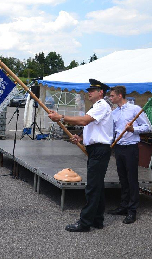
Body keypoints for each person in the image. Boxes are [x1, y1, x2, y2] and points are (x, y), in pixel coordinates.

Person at [49, 79, 113, 232]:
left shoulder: (102, 105)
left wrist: (61, 117)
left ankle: (84, 223)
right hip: (95, 149)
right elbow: (93, 128)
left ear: (101, 92)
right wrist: (80, 138)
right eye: (89, 90)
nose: (89, 92)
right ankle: (97, 219)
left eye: (92, 90)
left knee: (92, 187)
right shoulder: (97, 107)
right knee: (97, 186)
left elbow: (85, 121)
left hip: (100, 150)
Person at [108, 85, 149, 224]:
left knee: (132, 179)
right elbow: (113, 131)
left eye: (112, 96)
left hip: (131, 148)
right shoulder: (114, 112)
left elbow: (147, 127)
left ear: (120, 96)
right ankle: (123, 206)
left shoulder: (135, 109)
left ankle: (132, 211)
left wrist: (133, 129)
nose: (110, 98)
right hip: (118, 148)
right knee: (123, 178)